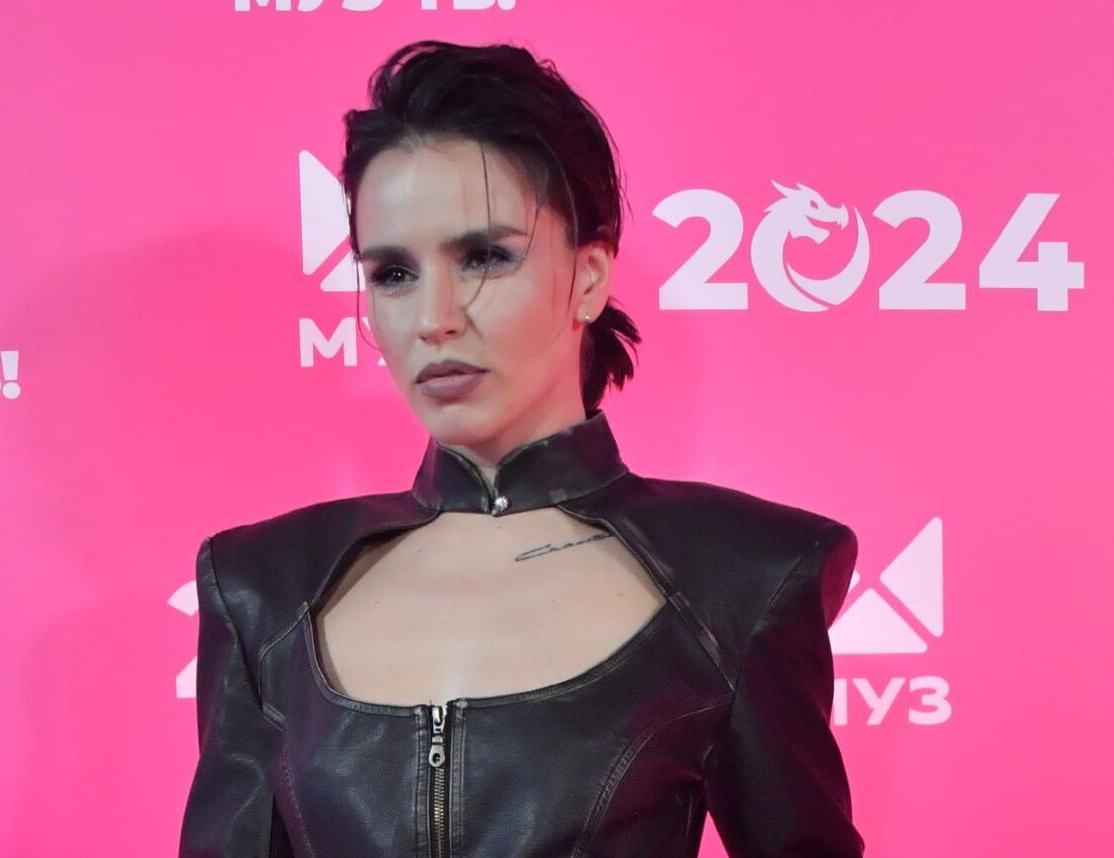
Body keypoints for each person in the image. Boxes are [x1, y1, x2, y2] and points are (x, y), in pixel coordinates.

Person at [179, 39, 864, 858]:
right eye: (392, 273)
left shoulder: (744, 576)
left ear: (589, 277)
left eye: (485, 258)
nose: (434, 318)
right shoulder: (260, 587)